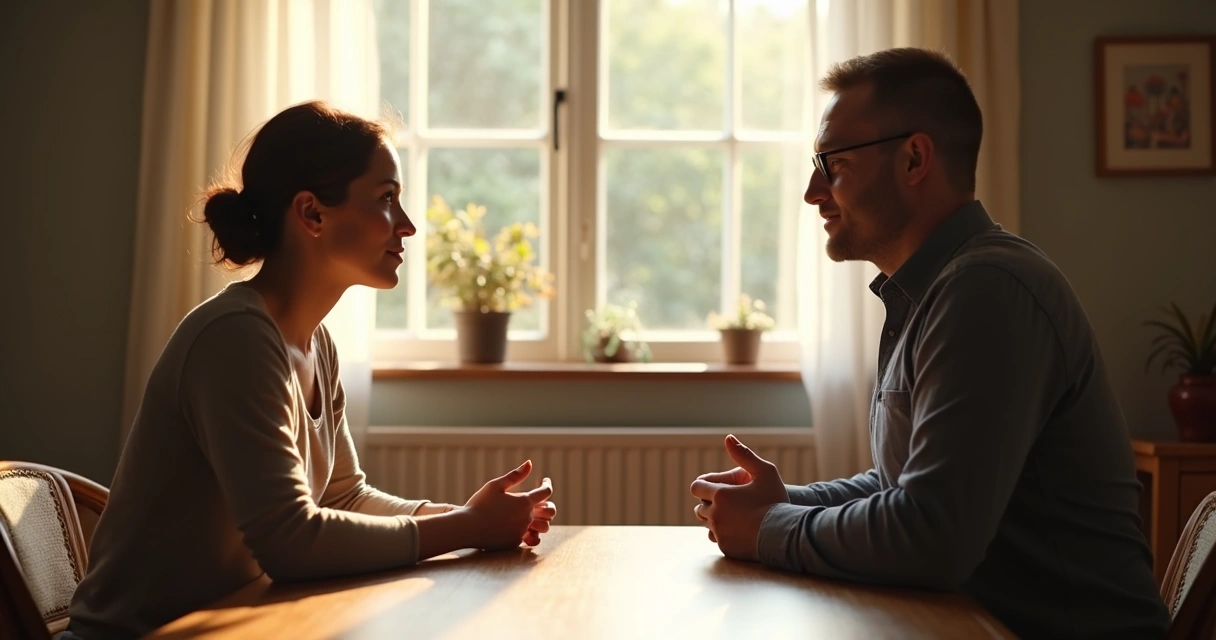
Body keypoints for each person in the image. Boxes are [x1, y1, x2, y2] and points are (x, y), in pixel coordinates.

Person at [689, 48, 1169, 639]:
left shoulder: (986, 292)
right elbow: (905, 486)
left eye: (833, 163)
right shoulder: (939, 291)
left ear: (915, 158)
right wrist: (787, 500)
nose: (814, 192)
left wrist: (768, 529)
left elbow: (930, 534)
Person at [67, 101, 557, 639]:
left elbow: (344, 497)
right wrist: (463, 527)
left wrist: (461, 518)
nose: (409, 226)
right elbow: (289, 540)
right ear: (313, 215)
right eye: (387, 200)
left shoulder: (314, 342)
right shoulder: (234, 339)